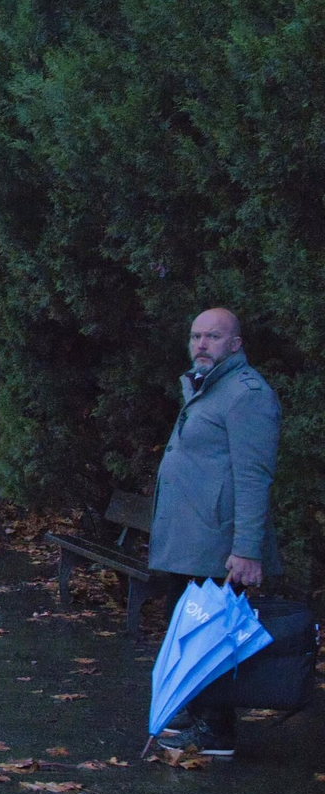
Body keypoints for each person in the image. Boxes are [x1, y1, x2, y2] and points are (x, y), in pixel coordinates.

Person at [150, 307, 281, 756]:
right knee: (187, 627)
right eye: (196, 336)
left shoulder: (246, 395)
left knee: (213, 634)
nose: (201, 344)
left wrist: (247, 549)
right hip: (190, 538)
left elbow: (253, 476)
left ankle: (217, 731)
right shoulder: (206, 386)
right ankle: (197, 710)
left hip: (218, 542)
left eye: (213, 337)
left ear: (236, 344)